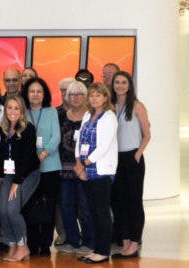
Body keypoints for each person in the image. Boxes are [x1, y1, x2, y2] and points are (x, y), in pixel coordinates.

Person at [74, 83, 118, 264]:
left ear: (105, 97)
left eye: (98, 96)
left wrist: (84, 164)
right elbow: (79, 140)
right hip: (84, 170)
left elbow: (104, 146)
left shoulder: (109, 117)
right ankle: (96, 249)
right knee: (91, 211)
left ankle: (103, 251)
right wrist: (78, 164)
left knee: (101, 212)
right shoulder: (87, 114)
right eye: (91, 95)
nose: (94, 99)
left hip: (100, 171)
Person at [109, 71, 150, 259]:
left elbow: (147, 134)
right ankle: (124, 242)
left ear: (129, 84)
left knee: (134, 201)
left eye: (123, 82)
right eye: (117, 82)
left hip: (132, 158)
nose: (120, 85)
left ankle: (134, 242)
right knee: (118, 202)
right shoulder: (111, 106)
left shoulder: (138, 106)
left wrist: (138, 154)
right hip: (115, 159)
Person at [0, 96, 41, 262]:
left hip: (27, 174)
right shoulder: (4, 128)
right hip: (9, 174)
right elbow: (1, 153)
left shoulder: (28, 129)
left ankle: (23, 246)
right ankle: (12, 243)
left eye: (16, 108)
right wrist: (0, 175)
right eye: (9, 108)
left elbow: (27, 158)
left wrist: (16, 182)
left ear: (22, 111)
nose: (12, 111)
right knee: (2, 210)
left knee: (12, 210)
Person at [21, 77, 62, 256]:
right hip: (29, 169)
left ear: (44, 94)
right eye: (32, 91)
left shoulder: (51, 111)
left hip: (50, 167)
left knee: (48, 207)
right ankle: (32, 243)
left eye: (39, 91)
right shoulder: (22, 113)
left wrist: (43, 155)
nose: (35, 94)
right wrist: (32, 159)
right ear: (27, 94)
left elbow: (56, 138)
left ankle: (45, 245)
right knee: (29, 207)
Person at [56, 82, 94, 254]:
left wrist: (86, 165)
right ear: (67, 97)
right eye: (72, 94)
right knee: (66, 206)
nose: (76, 98)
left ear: (85, 96)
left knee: (86, 207)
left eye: (80, 94)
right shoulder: (61, 116)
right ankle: (73, 241)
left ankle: (89, 241)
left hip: (85, 170)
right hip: (64, 171)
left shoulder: (92, 116)